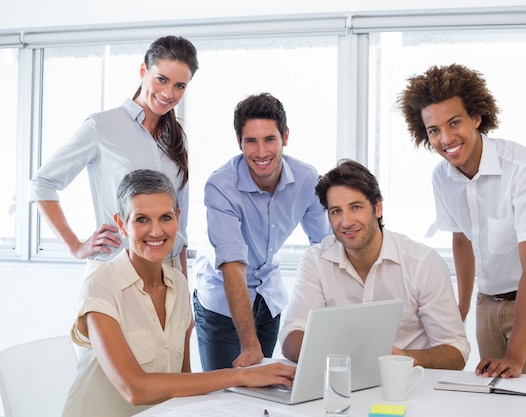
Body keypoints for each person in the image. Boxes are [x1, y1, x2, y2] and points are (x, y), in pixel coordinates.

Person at [62, 169, 295, 417]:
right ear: (122, 224)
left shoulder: (178, 284)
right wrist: (241, 377)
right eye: (141, 219)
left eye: (165, 217)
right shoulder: (100, 287)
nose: (156, 231)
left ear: (177, 218)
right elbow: (135, 389)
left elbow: (182, 381)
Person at [398, 63, 526, 378]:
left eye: (454, 123)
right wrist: (458, 315)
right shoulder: (442, 177)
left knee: (518, 393)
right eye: (434, 130)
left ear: (476, 117)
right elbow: (462, 242)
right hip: (487, 302)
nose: (446, 138)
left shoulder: (524, 168)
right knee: (490, 400)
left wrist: (516, 357)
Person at [30, 35, 198, 275]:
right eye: (162, 79)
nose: (168, 93)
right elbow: (42, 184)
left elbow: (181, 224)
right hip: (117, 271)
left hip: (169, 272)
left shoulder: (178, 139)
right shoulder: (101, 127)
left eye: (180, 86)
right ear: (143, 70)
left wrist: (182, 286)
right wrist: (76, 246)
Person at [279, 159, 470, 370]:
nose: (346, 221)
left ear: (377, 208)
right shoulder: (315, 260)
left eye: (356, 207)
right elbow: (291, 336)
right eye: (336, 211)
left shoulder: (422, 262)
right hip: (343, 384)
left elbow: (456, 351)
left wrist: (401, 358)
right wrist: (343, 357)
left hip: (409, 386)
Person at [193, 92, 332, 371]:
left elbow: (326, 248)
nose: (260, 152)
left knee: (261, 399)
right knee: (224, 396)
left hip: (268, 299)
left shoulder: (306, 180)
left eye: (269, 139)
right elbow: (232, 267)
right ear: (239, 142)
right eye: (251, 141)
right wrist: (249, 345)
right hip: (220, 303)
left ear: (285, 137)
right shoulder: (221, 187)